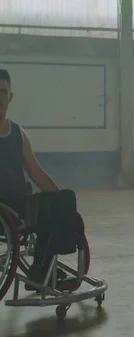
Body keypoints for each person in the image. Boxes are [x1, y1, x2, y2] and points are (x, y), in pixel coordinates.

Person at [0, 69, 77, 291]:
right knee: (44, 212)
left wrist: (59, 198)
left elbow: (35, 172)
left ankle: (44, 267)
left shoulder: (17, 133)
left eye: (3, 92)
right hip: (5, 210)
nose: (0, 98)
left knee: (63, 201)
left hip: (21, 205)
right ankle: (43, 270)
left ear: (10, 96)